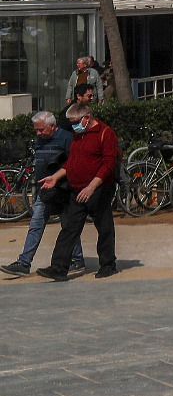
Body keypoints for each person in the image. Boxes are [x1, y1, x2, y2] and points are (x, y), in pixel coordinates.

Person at [35, 103, 120, 281]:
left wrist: (92, 187)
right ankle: (59, 267)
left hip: (99, 189)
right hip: (77, 189)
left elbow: (108, 164)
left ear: (86, 118)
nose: (72, 126)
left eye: (75, 122)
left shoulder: (106, 133)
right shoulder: (78, 135)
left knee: (104, 227)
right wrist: (55, 177)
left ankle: (108, 264)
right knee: (69, 229)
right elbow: (71, 163)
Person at [2, 111, 82, 277]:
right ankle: (24, 263)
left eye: (41, 130)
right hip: (44, 192)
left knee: (68, 226)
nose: (38, 133)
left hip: (63, 190)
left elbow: (74, 163)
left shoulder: (67, 138)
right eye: (36, 130)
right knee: (35, 225)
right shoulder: (41, 140)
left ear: (52, 126)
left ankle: (77, 259)